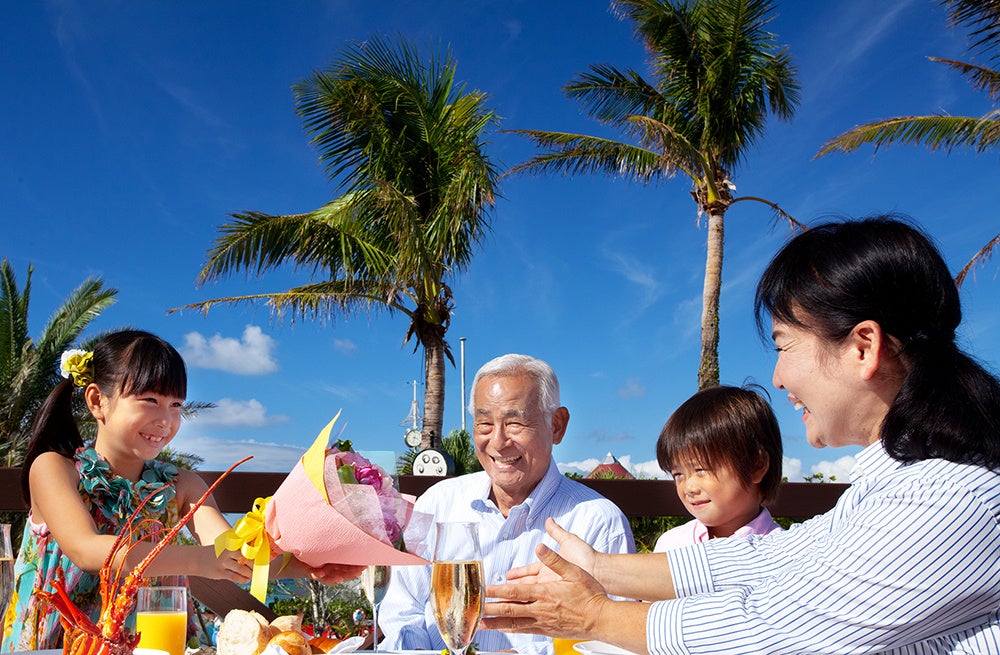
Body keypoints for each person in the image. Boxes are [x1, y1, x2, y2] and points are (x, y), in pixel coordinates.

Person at [482, 216, 1000, 654]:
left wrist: (594, 617)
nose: (778, 378)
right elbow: (769, 559)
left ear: (863, 346)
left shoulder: (951, 496)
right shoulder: (897, 487)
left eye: (784, 346)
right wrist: (597, 568)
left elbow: (776, 631)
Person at [1, 329, 363, 651]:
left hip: (152, 647)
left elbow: (237, 556)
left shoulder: (182, 485)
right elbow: (87, 550)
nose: (165, 420)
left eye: (176, 406)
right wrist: (200, 559)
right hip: (52, 646)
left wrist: (311, 565)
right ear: (97, 401)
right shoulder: (55, 468)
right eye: (149, 401)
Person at [379, 353, 635, 655]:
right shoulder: (437, 502)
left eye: (515, 423)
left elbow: (615, 641)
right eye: (485, 424)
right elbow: (402, 612)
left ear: (557, 425)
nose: (498, 442)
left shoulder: (598, 522)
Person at [652, 384, 782, 552]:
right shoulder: (672, 544)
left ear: (756, 466)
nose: (689, 488)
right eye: (678, 474)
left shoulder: (781, 552)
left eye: (701, 470)